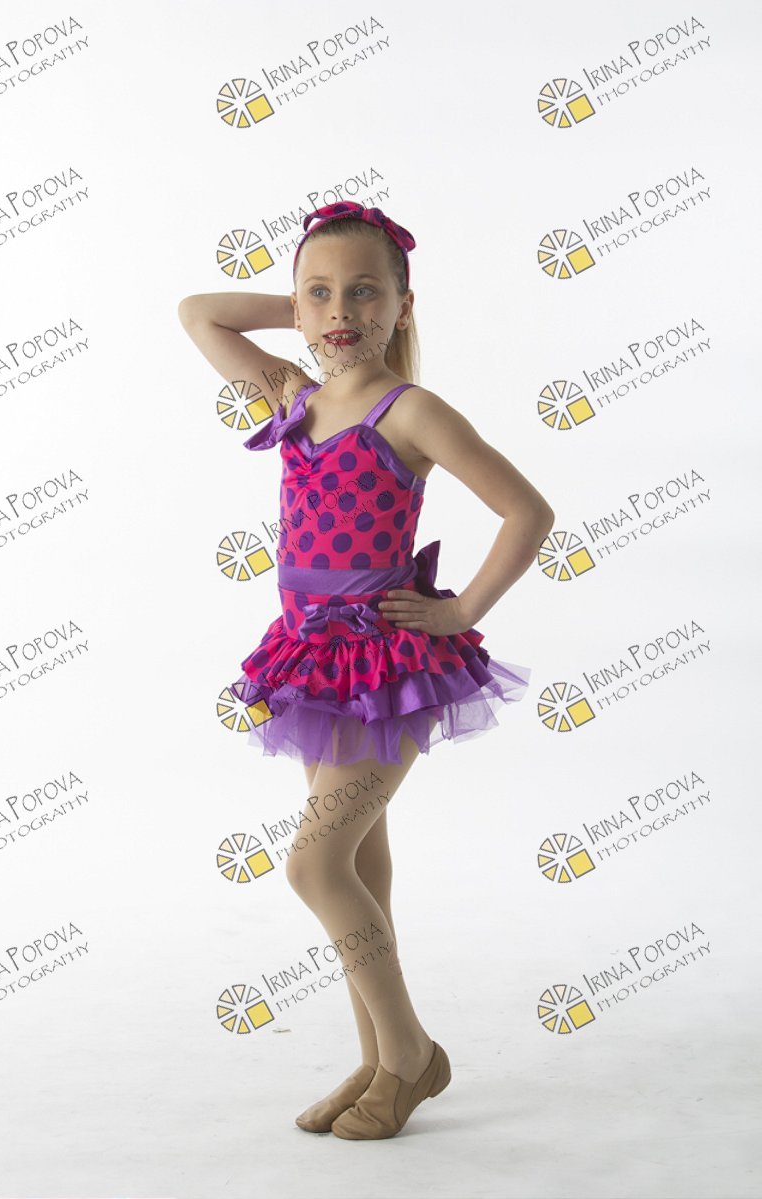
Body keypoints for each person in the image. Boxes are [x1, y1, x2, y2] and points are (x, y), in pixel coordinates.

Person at [178, 201, 555, 1140]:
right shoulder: (293, 395)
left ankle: (413, 1056)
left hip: (387, 663)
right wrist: (309, 313)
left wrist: (461, 610)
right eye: (321, 293)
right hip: (312, 659)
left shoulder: (409, 411)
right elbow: (197, 313)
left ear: (402, 304)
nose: (341, 310)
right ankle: (379, 1057)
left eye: (364, 293)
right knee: (361, 868)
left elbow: (528, 512)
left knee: (315, 863)